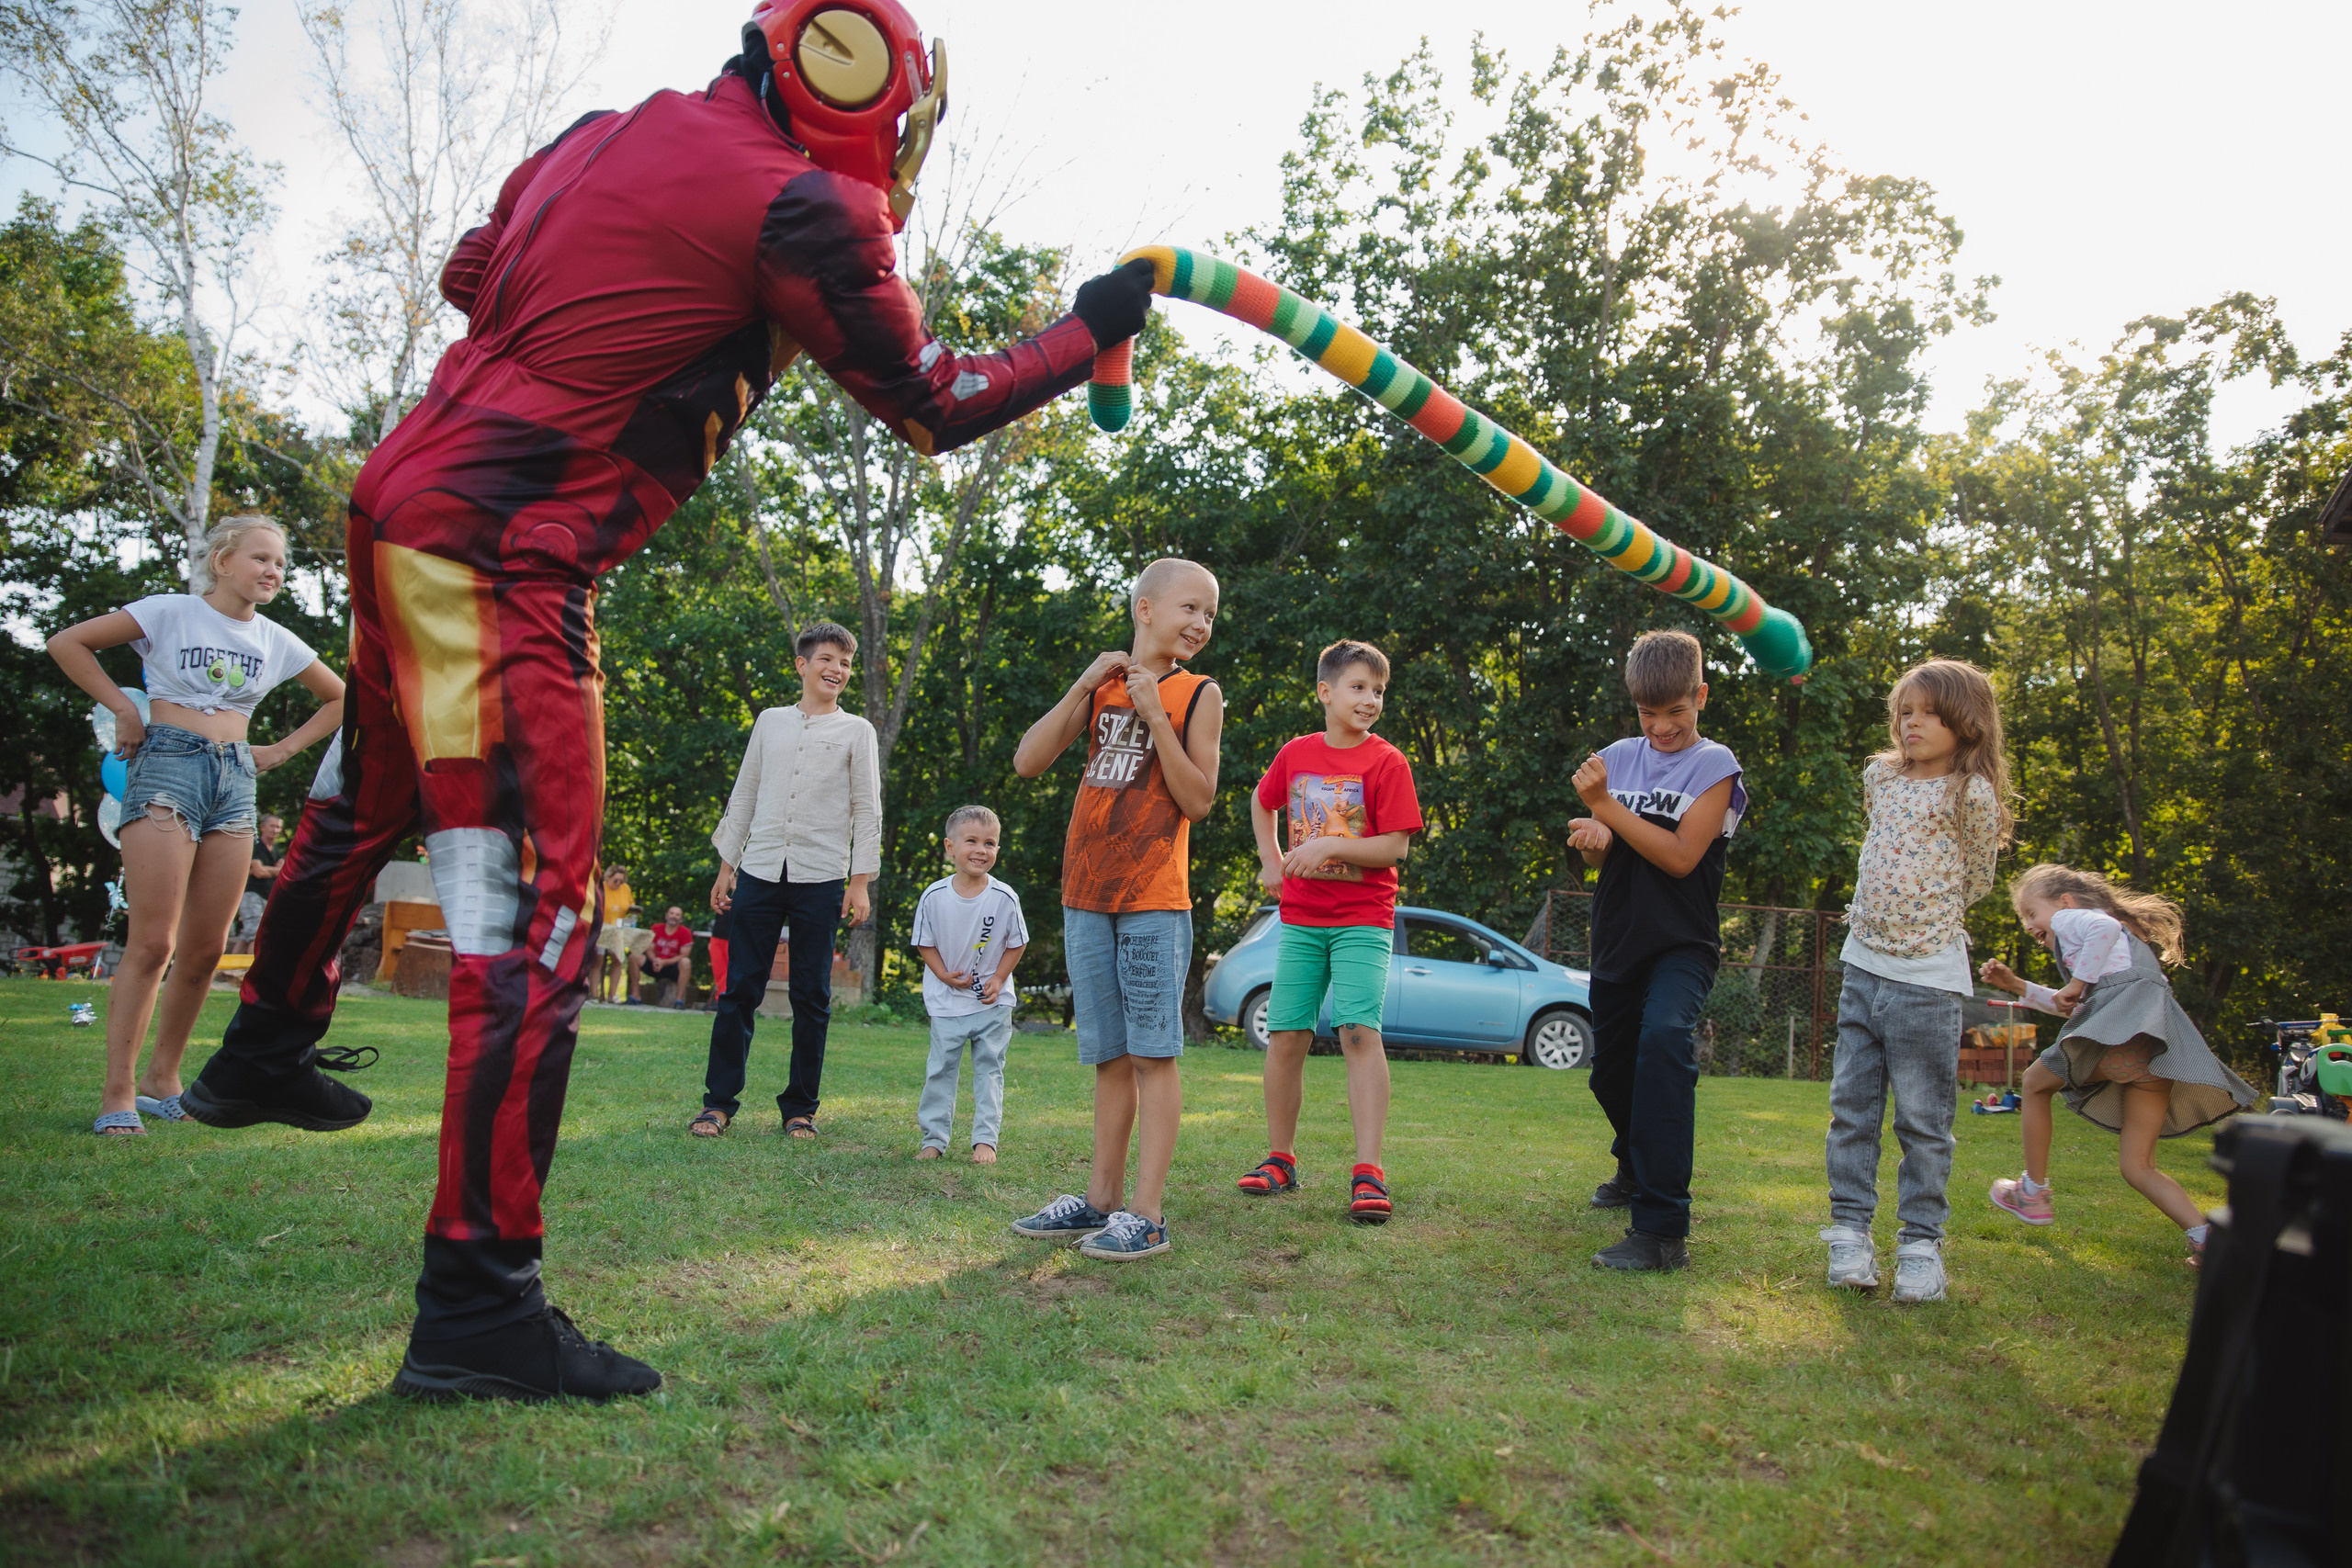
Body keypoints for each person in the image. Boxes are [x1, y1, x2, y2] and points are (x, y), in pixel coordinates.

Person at [175, 0, 1157, 1404]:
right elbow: (934, 397)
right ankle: (477, 1302)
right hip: (505, 545)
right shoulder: (805, 204)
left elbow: (472, 270)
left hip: (402, 503)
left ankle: (262, 1043)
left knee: (371, 791)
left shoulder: (601, 133)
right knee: (535, 919)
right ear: (865, 87)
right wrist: (1086, 328)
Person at [45, 516, 345, 1136]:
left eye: (280, 564)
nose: (273, 571)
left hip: (235, 780)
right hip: (166, 768)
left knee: (206, 949)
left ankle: (163, 1079)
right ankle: (118, 1092)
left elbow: (344, 697)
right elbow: (67, 641)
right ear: (223, 560)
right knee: (154, 941)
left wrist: (280, 751)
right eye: (260, 558)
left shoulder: (275, 638)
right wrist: (124, 707)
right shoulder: (169, 612)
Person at [1006, 558, 1224, 1261]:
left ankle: (1148, 1213)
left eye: (1210, 615)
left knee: (1154, 1053)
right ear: (1145, 608)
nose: (1200, 623)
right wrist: (1081, 684)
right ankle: (1098, 1201)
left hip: (1154, 898)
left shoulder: (1199, 693)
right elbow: (1028, 760)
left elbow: (1198, 799)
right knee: (1109, 1055)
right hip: (1087, 893)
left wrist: (1157, 711)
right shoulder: (1101, 687)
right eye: (1190, 607)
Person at [1818, 660, 2011, 1303]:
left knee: (1924, 1122)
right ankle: (1849, 1234)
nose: (1912, 723)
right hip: (1863, 967)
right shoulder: (1880, 776)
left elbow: (1977, 877)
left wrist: (1920, 921)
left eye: (1927, 712)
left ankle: (1921, 1246)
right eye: (1905, 711)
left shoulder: (1971, 795)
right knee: (1852, 1109)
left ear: (1965, 721)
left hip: (1927, 979)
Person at [1566, 629, 1746, 1272]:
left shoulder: (1715, 766)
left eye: (1676, 711)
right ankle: (1634, 1165)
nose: (1663, 727)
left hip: (1682, 943)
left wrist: (1605, 806)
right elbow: (1600, 856)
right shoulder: (1616, 755)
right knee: (1609, 1074)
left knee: (1666, 1042)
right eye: (1649, 713)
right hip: (1618, 939)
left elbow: (1678, 856)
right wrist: (1592, 832)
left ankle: (1663, 1227)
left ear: (1700, 695)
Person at [1979, 864, 2256, 1267]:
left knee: (2035, 1082)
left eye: (2030, 914)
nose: (2028, 926)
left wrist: (2075, 983)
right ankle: (2207, 1239)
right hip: (2152, 1054)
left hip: (2128, 1036)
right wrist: (2019, 987)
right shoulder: (2107, 954)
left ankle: (2033, 1191)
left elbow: (2100, 937)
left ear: (2065, 903)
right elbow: (2076, 1009)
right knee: (2138, 1166)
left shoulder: (2081, 922)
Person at [1238, 639, 1423, 1224]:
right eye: (1359, 688)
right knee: (1287, 1034)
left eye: (1378, 691)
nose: (1370, 700)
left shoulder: (1387, 762)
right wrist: (1272, 861)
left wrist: (1327, 845)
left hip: (1363, 919)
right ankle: (1280, 1160)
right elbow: (1261, 801)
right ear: (1325, 692)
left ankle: (1368, 1171)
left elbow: (1395, 845)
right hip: (1300, 918)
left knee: (1358, 1032)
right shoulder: (1296, 754)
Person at [695, 623, 882, 1139]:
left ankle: (800, 1108)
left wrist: (860, 880)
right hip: (759, 869)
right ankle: (717, 1103)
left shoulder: (857, 731)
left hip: (821, 877)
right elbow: (746, 792)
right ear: (802, 664)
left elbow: (868, 810)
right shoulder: (770, 722)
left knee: (811, 997)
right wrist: (726, 865)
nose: (836, 670)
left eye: (845, 663)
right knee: (739, 991)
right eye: (826, 659)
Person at [910, 806, 1028, 1165]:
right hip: (947, 1003)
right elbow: (923, 943)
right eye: (972, 841)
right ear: (950, 846)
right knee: (940, 1070)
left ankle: (985, 1142)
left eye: (990, 843)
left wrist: (998, 978)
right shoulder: (934, 896)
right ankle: (933, 1140)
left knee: (990, 1070)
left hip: (993, 1005)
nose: (981, 849)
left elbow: (1017, 942)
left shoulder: (1004, 897)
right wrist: (943, 975)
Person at [232, 813, 287, 954]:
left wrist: (269, 870)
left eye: (278, 827)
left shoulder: (275, 848)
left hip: (267, 896)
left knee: (246, 935)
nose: (275, 830)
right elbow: (259, 872)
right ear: (262, 827)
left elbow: (282, 871)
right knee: (256, 935)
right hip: (252, 895)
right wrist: (276, 870)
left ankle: (229, 972)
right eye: (272, 826)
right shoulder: (255, 845)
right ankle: (251, 970)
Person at [593, 866, 649, 1004]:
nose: (618, 884)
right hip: (602, 928)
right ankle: (594, 995)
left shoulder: (625, 889)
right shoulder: (600, 888)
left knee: (618, 959)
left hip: (618, 930)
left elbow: (630, 905)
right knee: (598, 960)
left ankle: (613, 995)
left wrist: (634, 910)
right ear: (608, 878)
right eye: (616, 880)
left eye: (621, 881)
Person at [645, 908, 695, 1008]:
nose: (674, 916)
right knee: (634, 957)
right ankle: (635, 996)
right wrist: (655, 960)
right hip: (654, 963)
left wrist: (664, 962)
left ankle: (679, 1000)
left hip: (673, 966)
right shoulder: (655, 928)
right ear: (666, 915)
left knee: (686, 962)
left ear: (681, 919)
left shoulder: (685, 932)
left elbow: (684, 955)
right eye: (672, 913)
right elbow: (649, 949)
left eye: (677, 915)